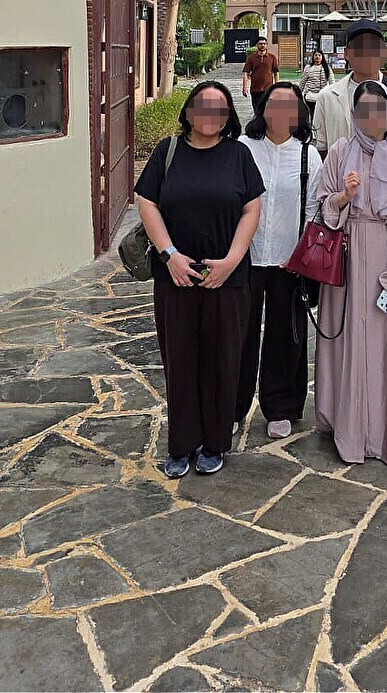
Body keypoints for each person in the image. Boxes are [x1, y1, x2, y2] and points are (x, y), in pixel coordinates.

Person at [135, 80, 264, 479]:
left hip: (227, 279)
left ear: (228, 117)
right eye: (203, 107)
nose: (211, 116)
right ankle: (181, 444)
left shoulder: (238, 155)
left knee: (222, 360)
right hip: (175, 277)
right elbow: (146, 202)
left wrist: (231, 261)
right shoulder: (167, 152)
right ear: (189, 112)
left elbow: (252, 208)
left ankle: (214, 443)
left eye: (219, 110)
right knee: (180, 360)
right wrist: (169, 255)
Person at [314, 79, 387, 464]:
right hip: (346, 259)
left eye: (379, 110)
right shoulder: (340, 151)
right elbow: (324, 208)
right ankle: (347, 426)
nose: (372, 118)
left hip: (384, 257)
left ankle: (381, 431)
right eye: (363, 110)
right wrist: (344, 196)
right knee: (346, 340)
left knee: (382, 343)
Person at [236, 82, 323, 439]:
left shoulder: (307, 154)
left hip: (289, 260)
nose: (282, 112)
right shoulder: (243, 148)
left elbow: (314, 207)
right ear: (263, 108)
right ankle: (233, 406)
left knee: (285, 335)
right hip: (245, 256)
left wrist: (300, 253)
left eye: (290, 105)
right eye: (275, 104)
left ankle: (281, 406)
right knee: (238, 334)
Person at [312, 19, 387, 167]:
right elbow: (320, 149)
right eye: (359, 47)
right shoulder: (327, 97)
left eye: (374, 47)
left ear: (384, 52)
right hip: (342, 180)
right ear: (346, 53)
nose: (367, 53)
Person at [242, 37, 279, 115]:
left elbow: (276, 73)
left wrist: (277, 87)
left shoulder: (272, 57)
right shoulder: (251, 58)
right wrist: (244, 88)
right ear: (257, 45)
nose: (262, 45)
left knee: (267, 112)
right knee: (257, 111)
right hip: (255, 89)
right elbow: (246, 73)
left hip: (268, 89)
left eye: (264, 44)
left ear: (267, 45)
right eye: (260, 44)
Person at [300, 48, 333, 120]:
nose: (317, 57)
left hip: (322, 96)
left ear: (322, 57)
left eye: (319, 55)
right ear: (313, 57)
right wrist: (298, 93)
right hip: (310, 96)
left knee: (321, 116)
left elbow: (332, 82)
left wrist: (333, 94)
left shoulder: (327, 68)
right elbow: (303, 82)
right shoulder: (308, 68)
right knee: (312, 115)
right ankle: (312, 126)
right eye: (316, 55)